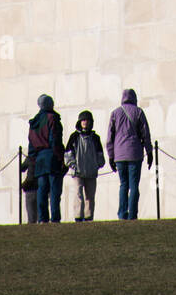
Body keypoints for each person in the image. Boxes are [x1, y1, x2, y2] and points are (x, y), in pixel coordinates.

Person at [108, 88, 152, 221]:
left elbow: (110, 137)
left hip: (119, 155)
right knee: (134, 186)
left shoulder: (115, 113)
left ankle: (122, 214)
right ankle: (132, 214)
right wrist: (149, 152)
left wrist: (111, 155)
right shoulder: (138, 112)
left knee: (123, 184)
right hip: (134, 153)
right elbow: (146, 134)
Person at [27, 94, 65, 223]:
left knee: (42, 190)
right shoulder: (52, 118)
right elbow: (54, 139)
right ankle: (55, 218)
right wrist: (60, 158)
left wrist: (33, 161)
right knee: (54, 191)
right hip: (51, 157)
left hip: (39, 159)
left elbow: (31, 145)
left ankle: (42, 218)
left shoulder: (34, 122)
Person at [65, 110, 105, 222]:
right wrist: (73, 165)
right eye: (83, 120)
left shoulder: (95, 138)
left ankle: (89, 217)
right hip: (77, 172)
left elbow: (100, 155)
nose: (85, 122)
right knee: (78, 194)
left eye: (87, 120)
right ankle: (78, 216)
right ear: (79, 122)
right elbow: (68, 154)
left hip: (91, 172)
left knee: (90, 196)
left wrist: (97, 165)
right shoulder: (74, 137)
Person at [21, 153, 38, 224]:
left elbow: (22, 168)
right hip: (40, 187)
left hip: (30, 187)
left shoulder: (30, 157)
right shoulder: (40, 155)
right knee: (39, 214)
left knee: (31, 216)